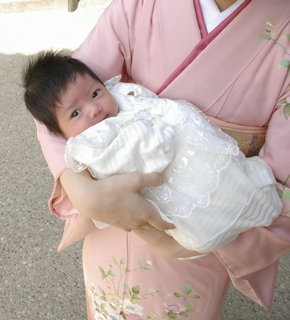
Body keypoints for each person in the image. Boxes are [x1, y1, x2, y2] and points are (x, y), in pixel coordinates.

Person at [32, 1, 290, 319]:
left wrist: (189, 245)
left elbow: (280, 180)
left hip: (207, 221)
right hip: (112, 209)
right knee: (107, 305)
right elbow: (60, 96)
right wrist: (81, 189)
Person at [23, 50, 282, 256]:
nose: (94, 109)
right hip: (159, 194)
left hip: (209, 152)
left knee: (234, 179)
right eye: (75, 113)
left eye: (95, 93)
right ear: (62, 133)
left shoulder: (119, 96)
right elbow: (149, 153)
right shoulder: (91, 145)